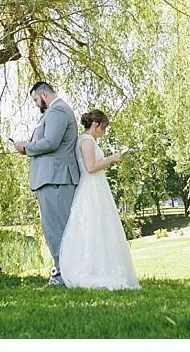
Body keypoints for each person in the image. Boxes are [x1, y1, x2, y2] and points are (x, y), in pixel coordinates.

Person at [58, 109, 140, 290]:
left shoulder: (86, 140)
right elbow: (91, 166)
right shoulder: (87, 141)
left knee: (98, 228)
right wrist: (113, 158)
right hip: (92, 189)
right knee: (94, 226)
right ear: (95, 125)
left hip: (96, 188)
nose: (104, 132)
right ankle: (94, 270)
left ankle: (100, 266)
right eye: (103, 128)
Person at [12, 81, 80, 286]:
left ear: (43, 94)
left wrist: (26, 147)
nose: (35, 104)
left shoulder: (57, 111)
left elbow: (51, 142)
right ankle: (64, 273)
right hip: (50, 178)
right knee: (54, 229)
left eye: (35, 100)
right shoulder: (52, 113)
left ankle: (61, 276)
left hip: (57, 178)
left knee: (57, 230)